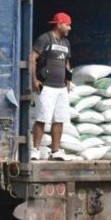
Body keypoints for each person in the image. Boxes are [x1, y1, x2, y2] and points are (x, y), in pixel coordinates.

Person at [29, 12, 73, 160]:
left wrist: (68, 82)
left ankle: (55, 151)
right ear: (59, 24)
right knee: (42, 118)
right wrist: (34, 79)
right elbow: (33, 58)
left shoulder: (66, 43)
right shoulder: (45, 39)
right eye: (67, 24)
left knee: (59, 119)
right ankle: (34, 149)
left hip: (61, 88)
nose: (69, 28)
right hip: (46, 86)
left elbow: (67, 63)